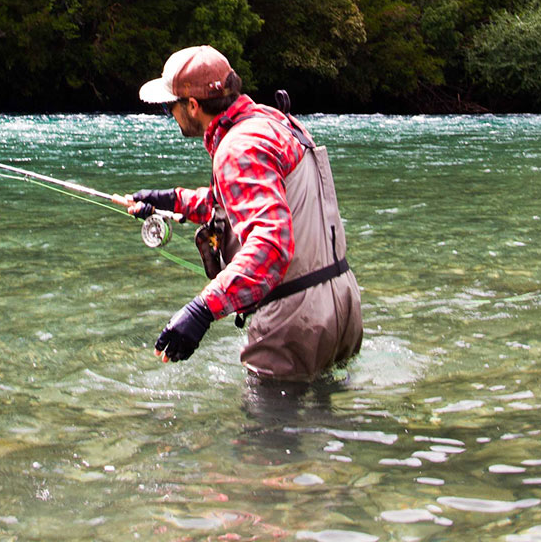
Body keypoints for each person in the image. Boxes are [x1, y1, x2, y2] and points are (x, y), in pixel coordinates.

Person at [121, 45, 362, 381]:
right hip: (342, 304)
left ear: (192, 105)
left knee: (267, 431)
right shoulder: (272, 121)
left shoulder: (238, 146)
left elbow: (271, 246)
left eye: (168, 106)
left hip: (295, 320)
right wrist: (171, 200)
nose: (169, 114)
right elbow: (248, 201)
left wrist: (202, 310)